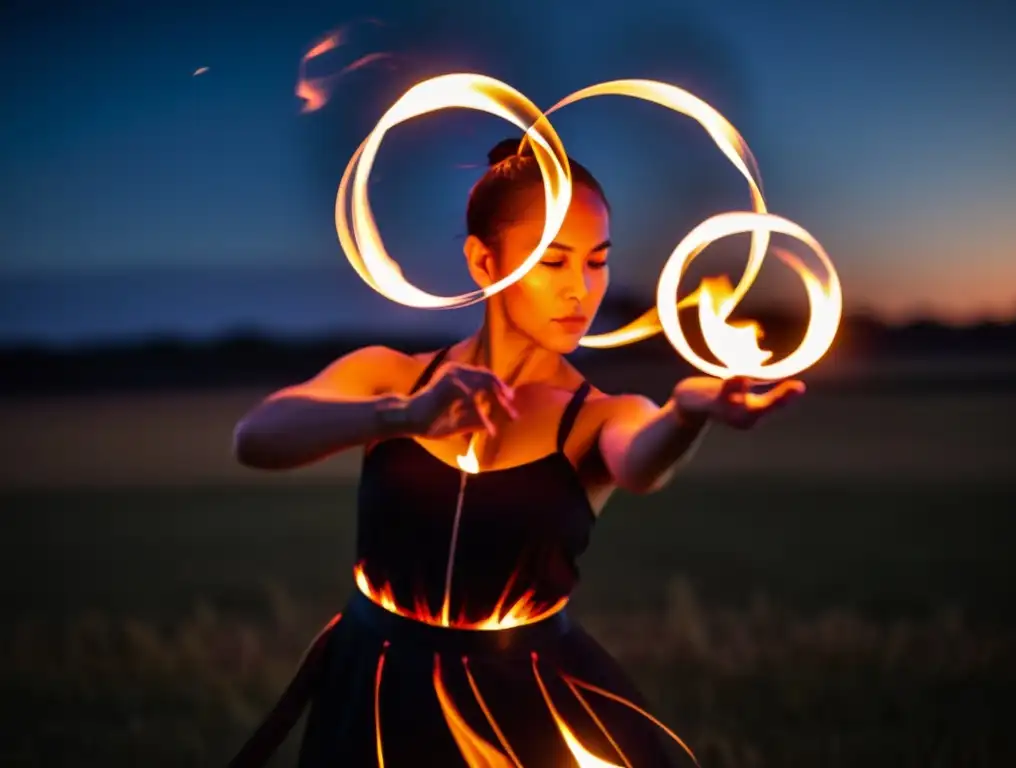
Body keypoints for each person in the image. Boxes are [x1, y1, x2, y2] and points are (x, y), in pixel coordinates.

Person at [228, 138, 804, 767]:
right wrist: (403, 416)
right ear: (483, 261)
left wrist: (688, 413)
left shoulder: (600, 414)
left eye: (597, 261)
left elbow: (642, 463)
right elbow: (256, 438)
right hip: (372, 690)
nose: (580, 290)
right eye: (554, 262)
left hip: (523, 704)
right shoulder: (393, 376)